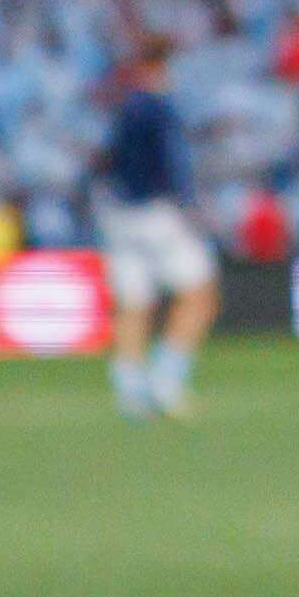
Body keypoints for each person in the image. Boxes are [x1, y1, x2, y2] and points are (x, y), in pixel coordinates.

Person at [94, 41, 219, 419]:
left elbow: (104, 162)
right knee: (200, 294)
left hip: (118, 215)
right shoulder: (158, 107)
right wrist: (189, 205)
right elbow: (173, 163)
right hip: (156, 214)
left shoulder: (124, 109)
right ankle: (167, 380)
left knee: (134, 302)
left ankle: (130, 391)